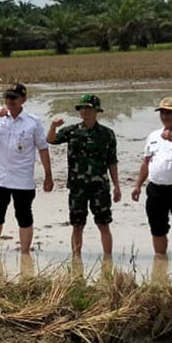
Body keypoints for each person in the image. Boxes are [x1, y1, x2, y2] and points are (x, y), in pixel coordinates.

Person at [0, 82, 53, 254]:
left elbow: (43, 148)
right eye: (7, 97)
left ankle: (25, 254)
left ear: (23, 99)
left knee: (24, 216)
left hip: (22, 179)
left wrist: (48, 175)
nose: (9, 101)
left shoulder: (33, 122)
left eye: (14, 97)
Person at [47, 94, 121, 256]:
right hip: (77, 186)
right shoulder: (72, 131)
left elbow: (112, 161)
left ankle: (108, 260)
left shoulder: (107, 134)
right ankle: (76, 259)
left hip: (99, 186)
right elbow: (51, 140)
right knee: (77, 225)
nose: (84, 111)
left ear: (96, 111)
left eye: (88, 108)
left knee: (103, 224)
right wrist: (53, 126)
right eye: (82, 108)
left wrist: (117, 186)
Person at [131, 97, 172, 257]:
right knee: (157, 228)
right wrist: (138, 185)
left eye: (169, 113)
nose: (165, 116)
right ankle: (160, 261)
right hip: (156, 189)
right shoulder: (154, 136)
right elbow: (146, 162)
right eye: (162, 112)